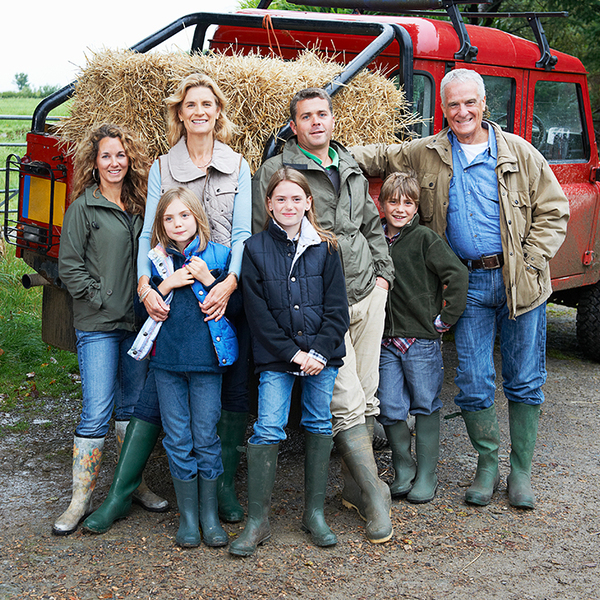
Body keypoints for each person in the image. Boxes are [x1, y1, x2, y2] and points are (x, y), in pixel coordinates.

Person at [351, 69, 570, 509]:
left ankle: (520, 471)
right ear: (443, 109)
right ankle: (486, 466)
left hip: (518, 281)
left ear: (484, 103)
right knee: (472, 380)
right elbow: (377, 155)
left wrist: (527, 260)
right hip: (465, 283)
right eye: (453, 104)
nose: (462, 111)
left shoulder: (520, 153)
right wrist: (321, 152)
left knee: (525, 379)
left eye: (470, 102)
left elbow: (555, 209)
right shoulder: (426, 153)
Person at [83, 73, 252, 534]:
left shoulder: (238, 165)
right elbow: (149, 233)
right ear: (180, 113)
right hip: (168, 290)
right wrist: (144, 284)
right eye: (190, 105)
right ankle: (122, 492)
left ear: (218, 112)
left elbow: (240, 233)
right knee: (155, 390)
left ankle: (220, 492)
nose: (199, 112)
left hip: (220, 285)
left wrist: (230, 282)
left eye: (207, 104)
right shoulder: (163, 165)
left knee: (226, 388)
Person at [252, 88, 395, 544]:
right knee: (345, 399)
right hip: (319, 302)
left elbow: (372, 225)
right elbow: (267, 236)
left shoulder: (348, 164)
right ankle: (376, 498)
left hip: (366, 291)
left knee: (368, 395)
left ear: (333, 120)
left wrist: (383, 277)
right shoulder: (279, 171)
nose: (317, 122)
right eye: (306, 116)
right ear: (293, 126)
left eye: (323, 114)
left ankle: (354, 492)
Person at [230, 168, 349, 556]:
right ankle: (257, 521)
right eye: (280, 199)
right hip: (277, 359)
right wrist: (291, 353)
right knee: (268, 427)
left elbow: (337, 310)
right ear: (269, 204)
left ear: (309, 203)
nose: (289, 205)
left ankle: (313, 514)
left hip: (321, 358)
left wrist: (317, 352)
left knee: (318, 422)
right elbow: (258, 314)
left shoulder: (327, 248)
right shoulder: (255, 249)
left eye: (296, 198)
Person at [55, 123, 164, 535]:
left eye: (120, 155)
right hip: (99, 324)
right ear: (94, 161)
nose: (114, 162)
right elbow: (69, 266)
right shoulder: (84, 207)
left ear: (128, 159)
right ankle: (79, 500)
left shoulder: (140, 207)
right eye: (106, 156)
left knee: (132, 407)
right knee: (97, 409)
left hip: (137, 324)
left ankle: (132, 484)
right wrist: (102, 297)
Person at [130, 187, 236, 547]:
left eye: (184, 216)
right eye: (169, 218)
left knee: (206, 437)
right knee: (177, 438)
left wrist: (210, 280)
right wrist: (164, 284)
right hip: (167, 365)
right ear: (160, 225)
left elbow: (236, 311)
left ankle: (209, 515)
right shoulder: (155, 261)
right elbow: (138, 312)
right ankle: (189, 518)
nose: (178, 223)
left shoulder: (219, 257)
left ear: (197, 217)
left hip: (207, 362)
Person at [375, 170, 468, 505]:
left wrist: (445, 319)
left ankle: (428, 473)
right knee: (388, 403)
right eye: (393, 201)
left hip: (421, 339)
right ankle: (403, 467)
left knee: (425, 402)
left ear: (416, 207)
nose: (400, 208)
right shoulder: (376, 240)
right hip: (384, 338)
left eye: (407, 202)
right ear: (382, 205)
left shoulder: (425, 239)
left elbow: (456, 274)